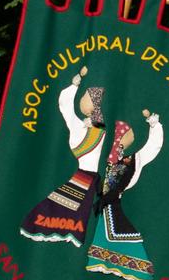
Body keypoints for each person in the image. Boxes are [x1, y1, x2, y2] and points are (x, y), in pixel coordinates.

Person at [19, 67, 105, 248]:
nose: (84, 101)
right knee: (64, 209)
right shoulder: (79, 126)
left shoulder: (103, 130)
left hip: (97, 180)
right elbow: (65, 105)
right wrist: (74, 85)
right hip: (84, 177)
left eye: (87, 98)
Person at [82, 111, 164, 280]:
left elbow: (151, 148)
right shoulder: (107, 158)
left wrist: (154, 125)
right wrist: (90, 125)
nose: (133, 136)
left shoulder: (130, 160)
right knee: (118, 233)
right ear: (123, 137)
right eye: (130, 134)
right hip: (101, 203)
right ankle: (105, 260)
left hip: (110, 204)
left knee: (123, 233)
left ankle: (110, 261)